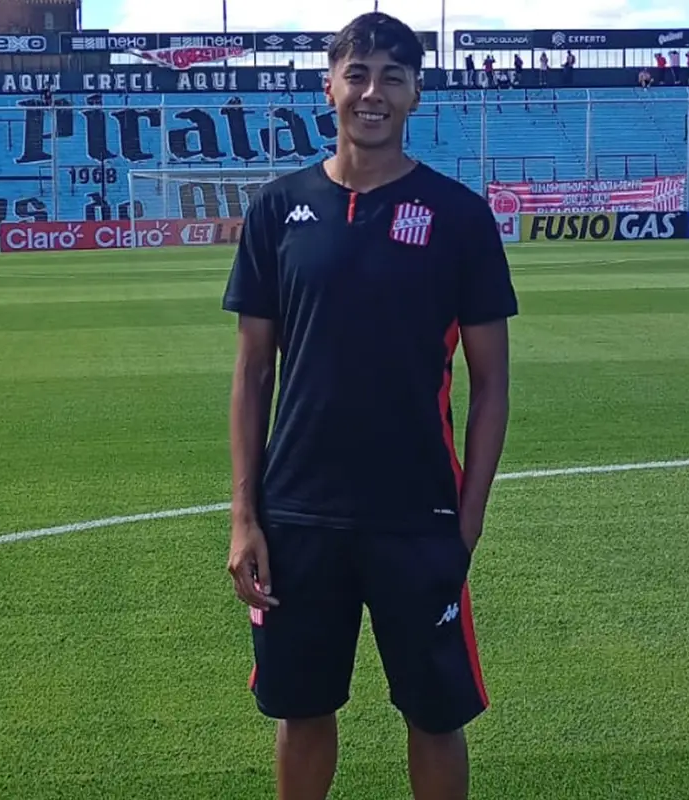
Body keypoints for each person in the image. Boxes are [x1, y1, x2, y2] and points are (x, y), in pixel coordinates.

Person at [222, 11, 518, 800]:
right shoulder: (277, 210)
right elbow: (252, 374)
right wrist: (245, 518)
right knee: (301, 709)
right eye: (357, 74)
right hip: (297, 517)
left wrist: (469, 521)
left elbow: (492, 384)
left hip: (417, 516)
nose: (373, 92)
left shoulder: (459, 216)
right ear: (329, 88)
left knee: (434, 715)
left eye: (392, 75)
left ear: (417, 93)